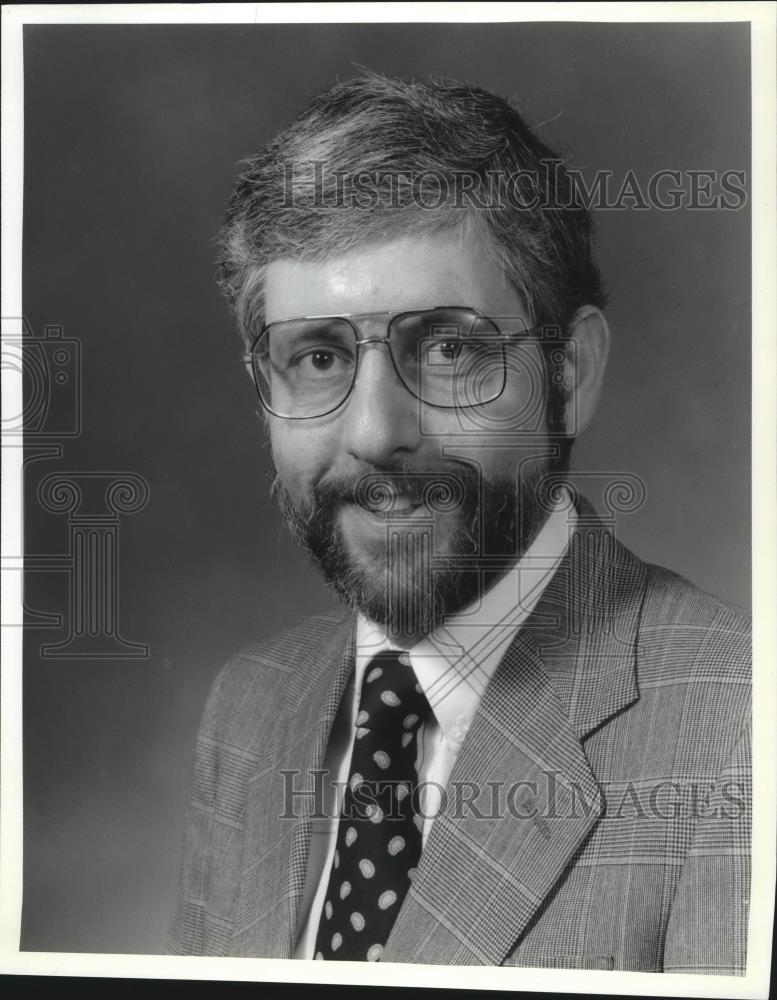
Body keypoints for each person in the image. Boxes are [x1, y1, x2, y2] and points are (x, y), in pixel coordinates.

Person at [167, 72, 751, 973]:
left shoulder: (740, 730)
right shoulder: (250, 706)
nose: (374, 434)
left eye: (446, 349)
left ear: (569, 374)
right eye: (317, 357)